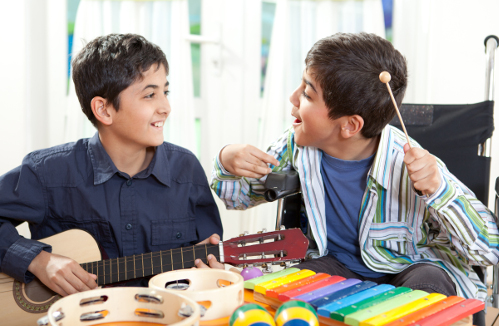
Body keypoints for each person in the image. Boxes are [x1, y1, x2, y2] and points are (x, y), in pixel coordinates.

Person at [211, 32, 499, 305]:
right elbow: (236, 197)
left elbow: (488, 249)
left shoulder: (411, 160)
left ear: (350, 125)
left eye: (308, 95)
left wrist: (439, 189)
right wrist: (226, 160)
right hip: (336, 265)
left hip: (413, 267)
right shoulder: (296, 145)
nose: (293, 97)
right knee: (294, 284)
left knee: (429, 282)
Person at [0, 33, 224, 298]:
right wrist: (38, 261)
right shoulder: (46, 172)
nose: (166, 107)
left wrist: (213, 272)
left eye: (165, 91)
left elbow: (212, 258)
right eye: (150, 94)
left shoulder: (185, 169)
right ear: (104, 110)